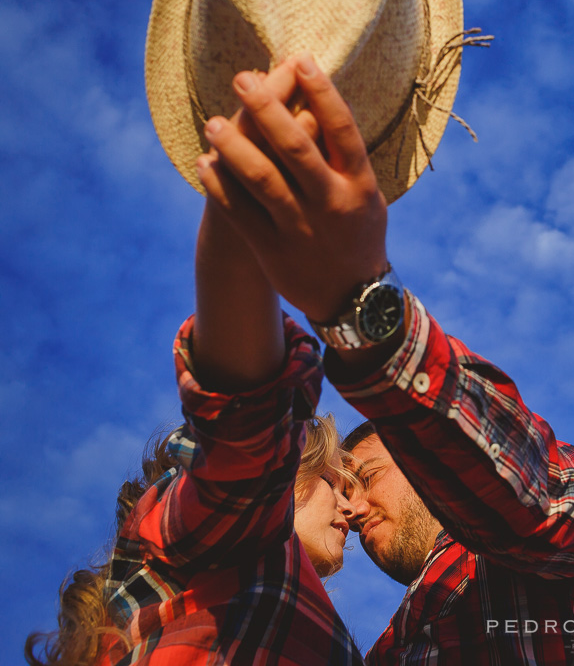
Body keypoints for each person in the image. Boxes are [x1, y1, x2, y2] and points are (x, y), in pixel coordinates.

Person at [199, 50, 574, 664]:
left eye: (364, 477)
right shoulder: (376, 651)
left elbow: (530, 499)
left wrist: (361, 310)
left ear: (419, 455)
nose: (355, 510)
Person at [26, 64, 365, 666]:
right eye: (338, 482)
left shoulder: (259, 586)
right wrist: (248, 207)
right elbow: (245, 421)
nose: (352, 509)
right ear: (289, 465)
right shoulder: (242, 538)